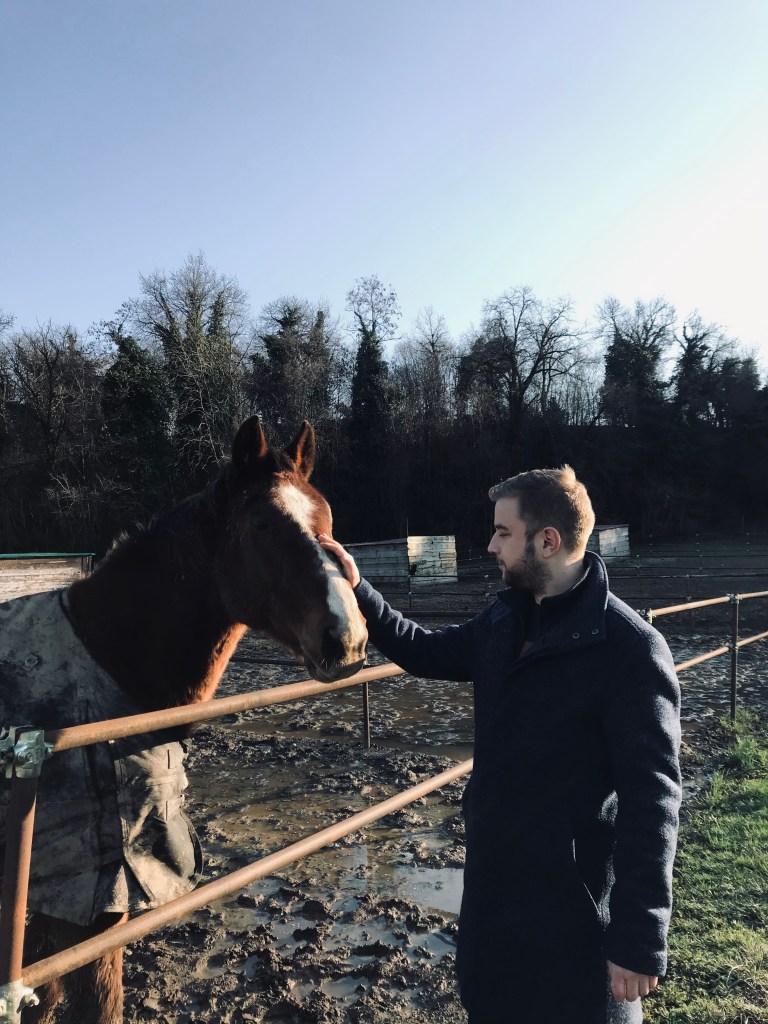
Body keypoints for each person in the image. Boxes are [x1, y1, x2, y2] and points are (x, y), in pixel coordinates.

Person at [320, 464, 681, 1024]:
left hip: (573, 914)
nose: (490, 545)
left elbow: (652, 799)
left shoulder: (629, 649)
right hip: (493, 900)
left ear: (548, 541)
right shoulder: (505, 619)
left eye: (503, 532)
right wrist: (358, 587)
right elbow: (425, 650)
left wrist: (638, 936)